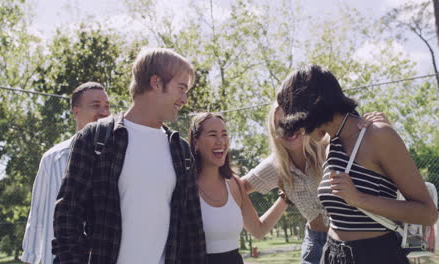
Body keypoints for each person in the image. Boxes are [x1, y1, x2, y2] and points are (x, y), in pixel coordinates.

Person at [52, 48, 206, 264]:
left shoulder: (181, 151)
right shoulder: (96, 138)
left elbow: (192, 231)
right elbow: (67, 217)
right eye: (181, 88)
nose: (184, 99)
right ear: (156, 82)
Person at [277, 64, 438, 264]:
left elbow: (428, 213)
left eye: (298, 120)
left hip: (375, 255)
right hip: (333, 254)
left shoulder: (377, 135)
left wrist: (360, 199)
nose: (301, 130)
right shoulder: (329, 145)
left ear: (311, 107)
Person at [241, 102, 388, 264]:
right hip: (315, 244)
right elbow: (238, 188)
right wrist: (283, 200)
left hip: (349, 238)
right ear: (274, 131)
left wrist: (374, 124)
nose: (289, 129)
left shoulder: (327, 145)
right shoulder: (275, 166)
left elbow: (360, 139)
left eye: (292, 121)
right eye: (281, 124)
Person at [21, 82, 110, 264]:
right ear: (76, 111)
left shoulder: (118, 156)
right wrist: (30, 257)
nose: (104, 112)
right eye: (95, 106)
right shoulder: (53, 159)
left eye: (107, 106)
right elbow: (38, 214)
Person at [188, 112, 288, 264]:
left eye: (225, 134)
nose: (221, 141)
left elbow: (258, 230)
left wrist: (285, 198)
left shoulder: (235, 185)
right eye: (213, 135)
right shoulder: (184, 186)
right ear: (196, 142)